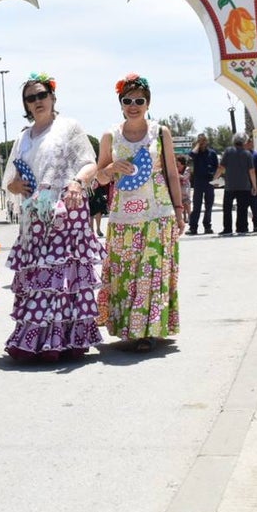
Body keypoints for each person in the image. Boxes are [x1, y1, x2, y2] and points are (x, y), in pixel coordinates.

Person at [0, 73, 104, 361]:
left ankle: (65, 341)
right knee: (39, 280)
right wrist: (16, 185)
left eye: (41, 95)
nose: (37, 101)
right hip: (35, 218)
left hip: (67, 212)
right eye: (30, 98)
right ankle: (36, 341)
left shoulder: (69, 127)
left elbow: (89, 164)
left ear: (53, 97)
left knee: (63, 279)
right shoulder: (23, 137)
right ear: (26, 104)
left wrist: (77, 183)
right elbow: (10, 181)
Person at [90, 73, 184, 352]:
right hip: (123, 218)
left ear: (148, 103)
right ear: (120, 103)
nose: (133, 106)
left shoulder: (161, 132)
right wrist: (111, 168)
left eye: (139, 101)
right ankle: (130, 327)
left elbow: (171, 173)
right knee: (126, 273)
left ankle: (147, 331)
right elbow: (99, 177)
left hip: (159, 214)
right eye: (127, 100)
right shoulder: (110, 135)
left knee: (152, 273)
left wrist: (179, 210)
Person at [213, 132, 257, 236]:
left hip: (230, 186)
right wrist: (254, 186)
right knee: (242, 208)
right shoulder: (247, 154)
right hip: (244, 186)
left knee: (227, 208)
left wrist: (215, 179)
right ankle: (242, 228)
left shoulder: (228, 151)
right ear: (244, 141)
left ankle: (227, 228)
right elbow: (251, 171)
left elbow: (221, 167)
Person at [188, 133, 218, 235]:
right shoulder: (196, 153)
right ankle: (193, 227)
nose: (203, 143)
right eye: (201, 141)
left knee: (209, 205)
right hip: (198, 181)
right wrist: (197, 145)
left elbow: (216, 167)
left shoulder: (212, 153)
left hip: (209, 181)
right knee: (197, 205)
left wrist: (215, 180)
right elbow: (191, 155)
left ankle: (207, 226)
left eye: (204, 140)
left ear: (207, 141)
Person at [245, 135, 257, 233]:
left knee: (255, 207)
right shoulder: (240, 156)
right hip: (242, 187)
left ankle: (256, 225)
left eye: (251, 142)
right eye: (249, 142)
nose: (251, 144)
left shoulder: (256, 156)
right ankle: (243, 226)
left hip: (253, 186)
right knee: (242, 208)